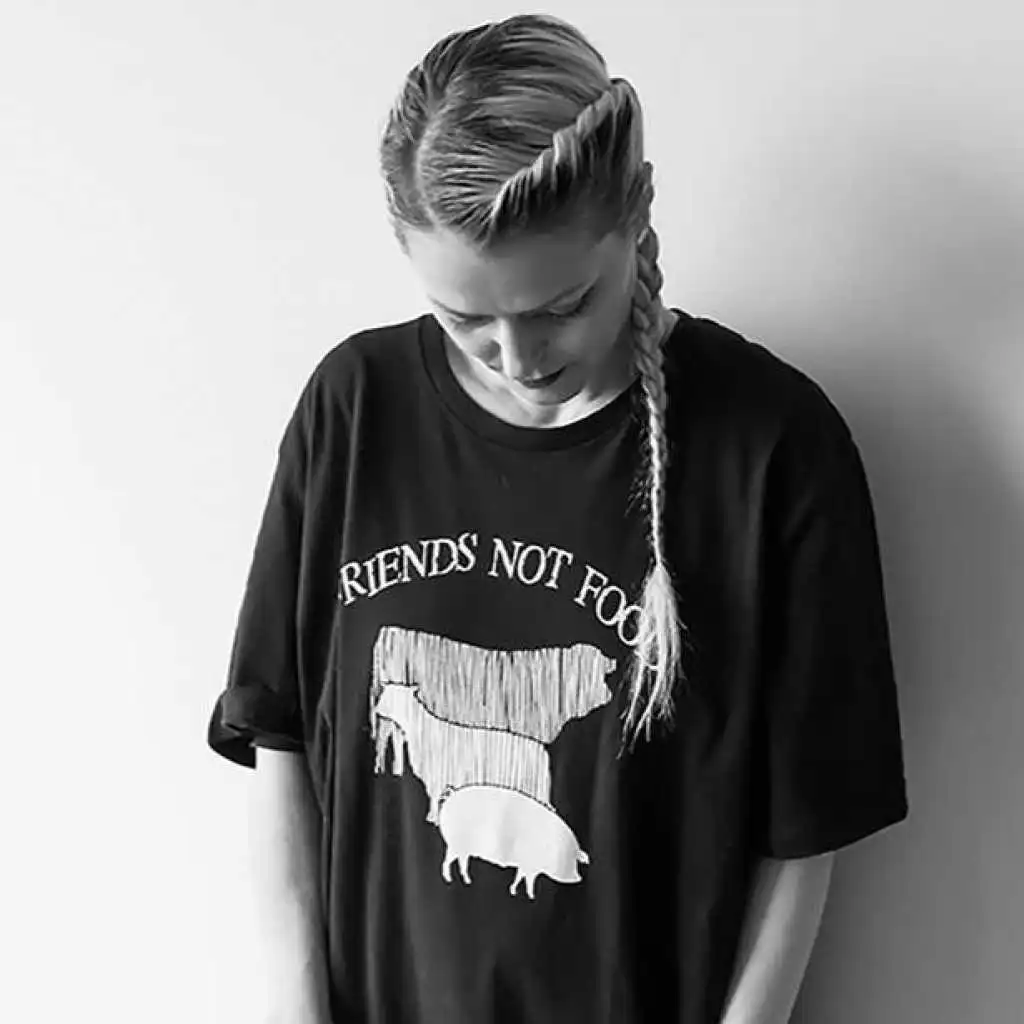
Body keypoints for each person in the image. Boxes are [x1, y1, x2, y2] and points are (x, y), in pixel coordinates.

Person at [206, 13, 909, 1024]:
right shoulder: (353, 410)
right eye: (464, 319)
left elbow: (805, 833)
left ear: (639, 214)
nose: (518, 358)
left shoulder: (772, 446)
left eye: (561, 306)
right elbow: (279, 740)